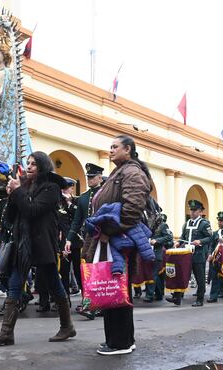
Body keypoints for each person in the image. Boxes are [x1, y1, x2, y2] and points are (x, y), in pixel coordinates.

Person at [0, 151, 75, 347]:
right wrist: (11, 196)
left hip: (42, 244)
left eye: (33, 163)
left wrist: (18, 192)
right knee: (15, 284)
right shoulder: (25, 186)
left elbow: (33, 210)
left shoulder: (51, 187)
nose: (29, 166)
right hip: (23, 244)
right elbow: (10, 218)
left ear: (42, 166)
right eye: (28, 163)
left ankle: (67, 326)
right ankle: (6, 333)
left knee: (54, 284)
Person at [81, 135, 152, 355]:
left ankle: (120, 342)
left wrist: (108, 231)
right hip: (109, 240)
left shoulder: (132, 173)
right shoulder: (120, 172)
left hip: (117, 241)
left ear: (128, 150)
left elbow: (132, 210)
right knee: (112, 288)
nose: (110, 150)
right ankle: (116, 340)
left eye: (115, 147)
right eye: (109, 147)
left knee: (118, 289)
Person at [66, 163, 105, 319]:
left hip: (104, 237)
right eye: (88, 177)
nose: (89, 180)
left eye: (92, 177)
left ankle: (101, 303)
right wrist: (69, 238)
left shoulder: (105, 194)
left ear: (100, 178)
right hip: (89, 239)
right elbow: (76, 221)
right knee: (88, 272)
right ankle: (90, 304)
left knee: (102, 272)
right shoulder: (83, 198)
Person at [173, 200, 212, 307]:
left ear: (200, 211)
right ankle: (177, 297)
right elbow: (183, 237)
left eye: (194, 210)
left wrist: (200, 241)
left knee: (200, 277)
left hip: (198, 254)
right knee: (182, 275)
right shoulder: (187, 223)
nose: (192, 212)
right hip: (186, 254)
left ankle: (200, 299)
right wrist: (178, 242)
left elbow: (210, 237)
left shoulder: (204, 224)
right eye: (191, 210)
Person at [144, 214, 173, 302]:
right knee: (155, 275)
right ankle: (159, 294)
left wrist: (157, 241)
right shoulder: (147, 224)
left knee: (152, 274)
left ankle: (149, 295)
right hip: (148, 252)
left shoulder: (163, 225)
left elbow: (169, 237)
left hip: (157, 253)